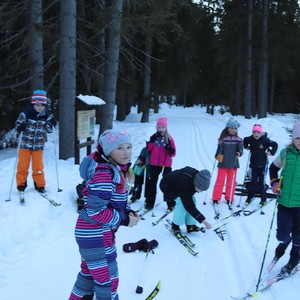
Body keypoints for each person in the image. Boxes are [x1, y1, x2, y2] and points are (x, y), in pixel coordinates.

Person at [69, 129, 140, 300]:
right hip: (96, 235)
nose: (126, 152)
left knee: (89, 275)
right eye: (120, 148)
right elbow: (96, 211)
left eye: (129, 147)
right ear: (108, 151)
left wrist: (128, 211)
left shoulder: (115, 169)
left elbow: (113, 201)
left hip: (93, 233)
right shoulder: (105, 174)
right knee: (107, 280)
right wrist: (124, 220)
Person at [268, 122, 300, 276]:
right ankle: (282, 246)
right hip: (284, 203)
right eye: (298, 138)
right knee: (282, 234)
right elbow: (273, 168)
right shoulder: (285, 153)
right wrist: (274, 184)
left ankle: (294, 261)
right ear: (293, 139)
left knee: (299, 237)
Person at [15, 89, 57, 194]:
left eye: (42, 105)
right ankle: (21, 184)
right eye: (37, 105)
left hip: (38, 146)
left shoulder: (47, 114)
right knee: (22, 166)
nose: (39, 107)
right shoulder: (25, 114)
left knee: (38, 167)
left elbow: (49, 130)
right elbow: (17, 125)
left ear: (45, 105)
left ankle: (40, 185)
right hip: (25, 145)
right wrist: (21, 126)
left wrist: (51, 124)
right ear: (33, 103)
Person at [160, 167, 212, 233]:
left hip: (178, 184)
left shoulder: (197, 176)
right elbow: (189, 206)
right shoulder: (185, 184)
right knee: (181, 203)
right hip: (168, 186)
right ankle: (175, 225)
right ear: (196, 183)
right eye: (200, 189)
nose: (200, 191)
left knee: (192, 200)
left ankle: (190, 225)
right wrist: (203, 221)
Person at [144, 117, 176, 212]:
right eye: (159, 127)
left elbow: (173, 154)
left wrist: (170, 149)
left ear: (165, 128)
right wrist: (150, 142)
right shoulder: (153, 137)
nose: (160, 129)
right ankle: (149, 203)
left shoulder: (169, 139)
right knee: (152, 184)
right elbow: (149, 150)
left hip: (166, 164)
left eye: (162, 127)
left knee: (167, 184)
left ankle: (170, 204)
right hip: (154, 163)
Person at [243, 124, 278, 206]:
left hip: (262, 165)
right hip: (254, 165)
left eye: (258, 133)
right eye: (254, 132)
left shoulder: (265, 140)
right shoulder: (250, 139)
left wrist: (271, 152)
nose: (256, 134)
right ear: (252, 133)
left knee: (262, 183)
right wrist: (246, 146)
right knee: (253, 182)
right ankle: (249, 198)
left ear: (261, 133)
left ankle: (263, 199)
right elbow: (245, 140)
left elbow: (275, 145)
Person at [212, 117, 243, 206]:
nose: (234, 130)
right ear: (227, 128)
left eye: (235, 128)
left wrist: (239, 153)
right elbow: (219, 150)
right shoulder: (223, 139)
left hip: (233, 164)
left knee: (231, 182)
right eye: (232, 128)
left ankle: (229, 197)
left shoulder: (238, 139)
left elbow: (240, 149)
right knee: (220, 181)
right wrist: (218, 155)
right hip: (223, 163)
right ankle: (216, 198)